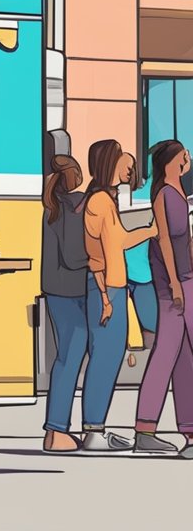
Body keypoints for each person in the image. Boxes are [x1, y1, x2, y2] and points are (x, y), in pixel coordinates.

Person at [81, 140, 158, 452]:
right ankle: (93, 431)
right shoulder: (99, 201)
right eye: (124, 162)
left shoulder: (105, 200)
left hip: (112, 286)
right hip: (106, 289)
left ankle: (95, 429)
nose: (130, 168)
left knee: (108, 358)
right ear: (110, 162)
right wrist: (105, 297)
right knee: (104, 359)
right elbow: (107, 248)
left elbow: (118, 241)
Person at [134, 140, 193, 455]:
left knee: (185, 355)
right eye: (184, 153)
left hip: (186, 277)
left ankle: (190, 431)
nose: (189, 157)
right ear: (172, 160)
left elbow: (186, 239)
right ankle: (145, 429)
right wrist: (174, 282)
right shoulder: (163, 196)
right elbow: (165, 240)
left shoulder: (180, 192)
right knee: (167, 350)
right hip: (173, 283)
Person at [40, 155, 90, 452]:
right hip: (71, 292)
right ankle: (56, 431)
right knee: (69, 358)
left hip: (56, 292)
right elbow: (73, 256)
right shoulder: (70, 208)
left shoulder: (53, 207)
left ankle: (57, 429)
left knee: (67, 357)